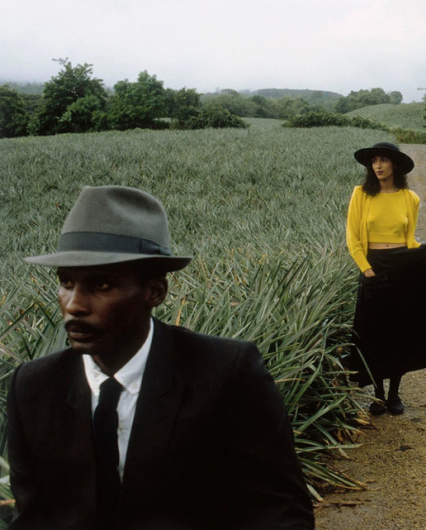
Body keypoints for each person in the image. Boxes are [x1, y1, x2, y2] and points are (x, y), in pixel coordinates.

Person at [8, 185, 315, 529]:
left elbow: (281, 511)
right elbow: (32, 518)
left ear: (155, 292)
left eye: (101, 285)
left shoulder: (224, 374)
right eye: (66, 282)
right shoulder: (33, 387)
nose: (75, 304)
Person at [346, 142, 426, 416]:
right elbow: (353, 238)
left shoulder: (410, 198)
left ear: (395, 165)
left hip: (402, 267)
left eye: (383, 160)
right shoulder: (361, 194)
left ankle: (394, 395)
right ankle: (378, 395)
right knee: (374, 332)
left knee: (399, 331)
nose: (377, 166)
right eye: (374, 161)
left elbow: (410, 240)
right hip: (373, 267)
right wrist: (367, 270)